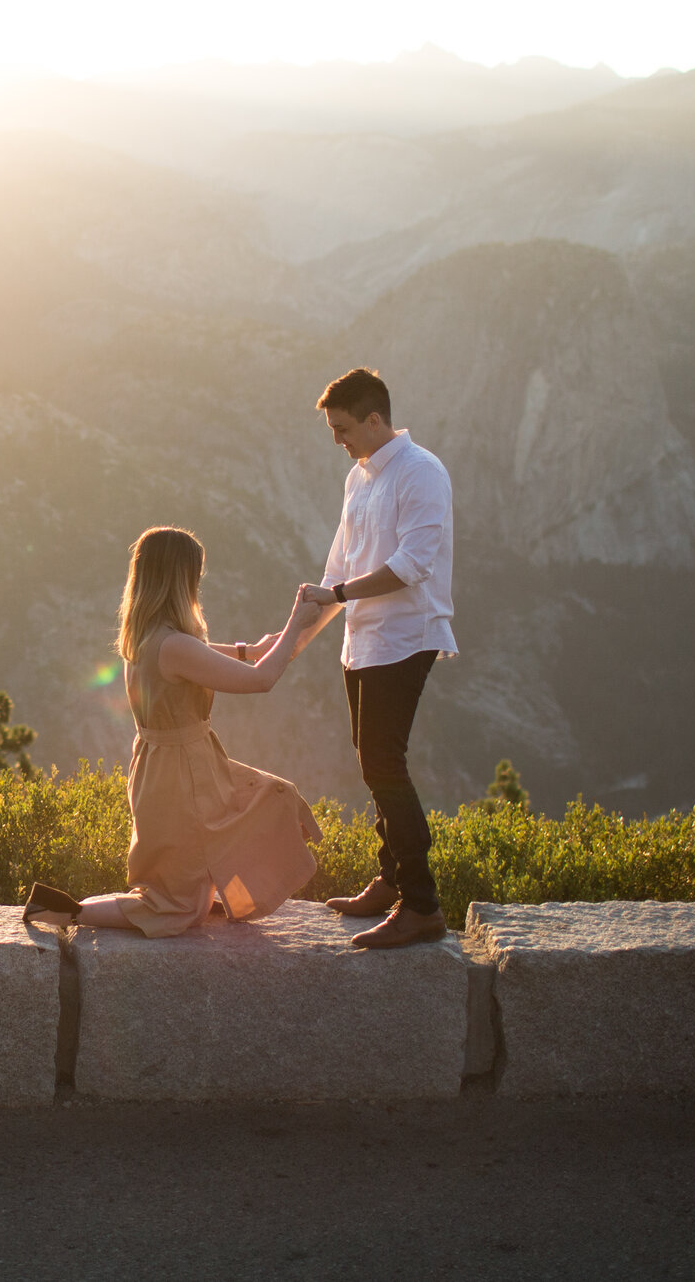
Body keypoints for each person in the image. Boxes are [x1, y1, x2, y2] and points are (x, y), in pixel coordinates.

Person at [24, 526, 328, 937]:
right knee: (176, 909)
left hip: (171, 767)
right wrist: (296, 623)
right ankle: (65, 910)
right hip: (183, 776)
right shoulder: (175, 647)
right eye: (195, 578)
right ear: (179, 580)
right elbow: (260, 680)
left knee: (273, 796)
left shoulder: (151, 639)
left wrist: (252, 649)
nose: (198, 586)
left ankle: (197, 891)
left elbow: (222, 656)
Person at [297, 366, 457, 951]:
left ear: (374, 419)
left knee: (384, 765)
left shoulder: (422, 473)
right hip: (361, 639)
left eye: (342, 428)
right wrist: (292, 639)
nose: (337, 440)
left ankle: (422, 905)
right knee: (373, 762)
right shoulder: (359, 479)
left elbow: (413, 563)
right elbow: (337, 569)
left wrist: (336, 596)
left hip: (405, 637)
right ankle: (391, 881)